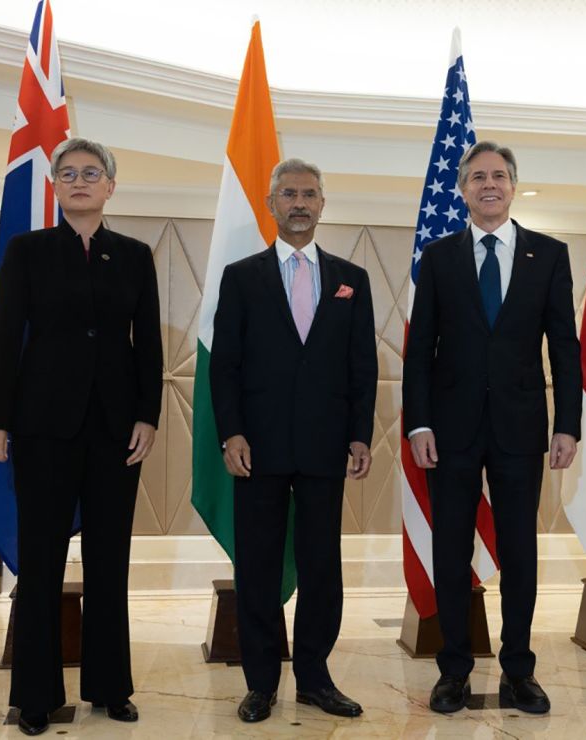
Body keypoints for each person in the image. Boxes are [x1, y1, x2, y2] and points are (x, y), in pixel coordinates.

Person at [0, 137, 163, 736]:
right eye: (68, 173)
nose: (79, 181)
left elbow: (149, 346)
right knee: (41, 564)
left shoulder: (135, 256)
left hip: (116, 431)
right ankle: (35, 695)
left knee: (110, 561)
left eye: (91, 173)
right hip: (41, 427)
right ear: (56, 187)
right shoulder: (28, 251)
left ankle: (111, 687)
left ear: (110, 186)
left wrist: (148, 415)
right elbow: (5, 335)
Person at [403, 141, 582, 715]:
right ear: (462, 187)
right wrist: (418, 424)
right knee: (451, 553)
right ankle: (453, 669)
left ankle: (519, 670)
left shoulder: (549, 256)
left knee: (520, 554)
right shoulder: (438, 257)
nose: (488, 184)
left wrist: (568, 425)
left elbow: (566, 347)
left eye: (499, 176)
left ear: (513, 186)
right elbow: (420, 353)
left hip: (521, 429)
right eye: (477, 175)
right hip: (449, 432)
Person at [209, 158, 377, 723]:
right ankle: (261, 683)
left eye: (309, 193)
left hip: (326, 449)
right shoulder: (242, 276)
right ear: (271, 203)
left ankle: (315, 677)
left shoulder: (353, 278)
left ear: (323, 204)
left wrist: (359, 435)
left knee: (321, 567)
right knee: (256, 568)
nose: (299, 202)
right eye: (288, 194)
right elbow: (225, 366)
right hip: (256, 449)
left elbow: (362, 367)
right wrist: (230, 431)